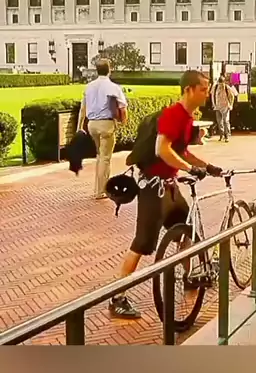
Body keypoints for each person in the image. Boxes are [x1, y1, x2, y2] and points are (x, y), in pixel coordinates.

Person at [109, 70, 224, 319]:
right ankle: (117, 297)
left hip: (170, 187)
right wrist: (190, 169)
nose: (207, 94)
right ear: (188, 90)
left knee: (187, 230)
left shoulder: (187, 118)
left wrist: (207, 167)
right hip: (153, 189)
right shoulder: (174, 115)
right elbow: (162, 150)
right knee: (142, 244)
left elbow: (181, 152)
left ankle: (188, 275)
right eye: (203, 89)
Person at [76, 59, 127, 199]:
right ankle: (101, 191)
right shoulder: (113, 87)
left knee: (100, 156)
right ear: (109, 70)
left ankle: (98, 188)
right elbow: (122, 107)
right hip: (106, 124)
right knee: (105, 157)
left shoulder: (89, 87)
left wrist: (79, 126)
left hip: (92, 124)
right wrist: (123, 122)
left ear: (96, 70)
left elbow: (83, 109)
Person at [211, 74, 236, 142]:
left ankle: (226, 135)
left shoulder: (227, 88)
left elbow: (232, 96)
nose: (221, 85)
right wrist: (213, 104)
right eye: (220, 83)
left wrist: (231, 105)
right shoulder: (215, 87)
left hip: (225, 106)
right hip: (217, 107)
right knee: (219, 122)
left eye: (222, 84)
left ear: (224, 82)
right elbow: (212, 96)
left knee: (225, 121)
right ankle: (221, 135)